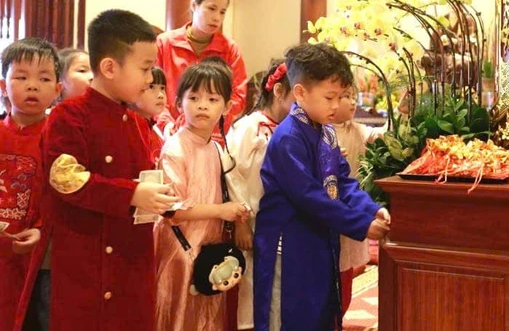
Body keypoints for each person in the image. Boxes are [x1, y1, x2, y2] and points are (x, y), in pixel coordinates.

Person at [41, 9, 179, 331]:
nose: (150, 78)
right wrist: (132, 193)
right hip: (87, 260)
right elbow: (66, 179)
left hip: (131, 258)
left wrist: (158, 197)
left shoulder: (137, 123)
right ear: (109, 67)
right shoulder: (69, 116)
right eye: (145, 68)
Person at [253, 44, 391, 330]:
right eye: (329, 97)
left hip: (317, 235)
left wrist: (370, 210)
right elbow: (308, 196)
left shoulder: (326, 131)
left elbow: (343, 180)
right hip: (289, 242)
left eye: (340, 96)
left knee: (320, 310)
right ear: (300, 92)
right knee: (291, 316)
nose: (336, 105)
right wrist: (360, 224)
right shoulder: (288, 137)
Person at [154, 62, 250, 331]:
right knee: (178, 313)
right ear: (179, 103)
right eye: (193, 98)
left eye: (212, 99)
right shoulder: (175, 149)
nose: (202, 106)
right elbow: (172, 210)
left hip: (209, 245)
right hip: (178, 248)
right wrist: (221, 210)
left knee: (206, 314)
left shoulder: (216, 148)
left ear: (227, 107)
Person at [226, 59, 294, 330]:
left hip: (281, 223)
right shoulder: (249, 127)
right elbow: (231, 173)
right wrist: (241, 221)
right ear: (278, 91)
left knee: (278, 289)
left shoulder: (293, 128)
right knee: (251, 290)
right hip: (252, 220)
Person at [0, 38, 61, 331]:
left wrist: (41, 228)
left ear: (58, 90)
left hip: (37, 251)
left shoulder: (59, 139)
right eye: (22, 77)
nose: (33, 86)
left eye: (44, 79)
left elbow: (60, 194)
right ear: (3, 87)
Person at [156, 0, 247, 135]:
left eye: (222, 12)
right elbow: (152, 90)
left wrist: (209, 125)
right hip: (169, 131)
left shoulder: (230, 49)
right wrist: (167, 126)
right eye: (211, 8)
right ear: (194, 5)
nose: (217, 18)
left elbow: (238, 97)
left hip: (212, 134)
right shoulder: (164, 43)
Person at [332, 85, 386, 317]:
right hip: (329, 210)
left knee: (346, 268)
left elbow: (382, 135)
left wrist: (403, 114)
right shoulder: (318, 131)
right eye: (345, 97)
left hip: (351, 201)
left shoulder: (356, 129)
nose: (353, 102)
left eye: (353, 97)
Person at [132, 66, 167, 165]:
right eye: (151, 87)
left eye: (162, 88)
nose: (160, 95)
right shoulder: (131, 129)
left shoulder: (155, 129)